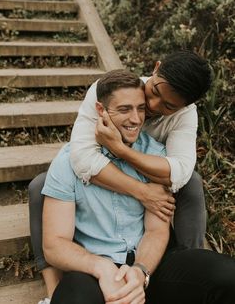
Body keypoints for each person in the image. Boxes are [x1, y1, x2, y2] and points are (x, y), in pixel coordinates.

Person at [41, 70, 235, 304]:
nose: (136, 119)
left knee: (226, 275)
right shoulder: (71, 160)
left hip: (150, 265)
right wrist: (101, 267)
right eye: (124, 109)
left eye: (140, 109)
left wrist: (140, 271)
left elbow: (156, 230)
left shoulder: (156, 158)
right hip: (93, 269)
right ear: (101, 110)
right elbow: (54, 244)